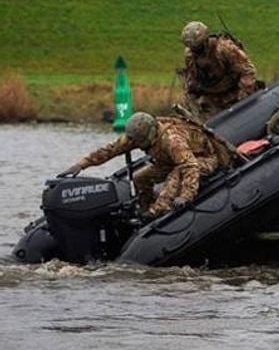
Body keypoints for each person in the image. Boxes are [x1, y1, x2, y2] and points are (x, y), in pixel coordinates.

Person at [57, 112, 235, 219]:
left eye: (140, 141)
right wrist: (81, 165)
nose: (138, 144)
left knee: (176, 174)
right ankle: (144, 208)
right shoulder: (136, 137)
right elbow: (109, 150)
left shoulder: (172, 140)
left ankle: (158, 211)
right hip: (168, 161)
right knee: (140, 178)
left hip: (202, 158)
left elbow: (189, 166)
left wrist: (186, 195)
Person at [180, 21, 259, 121]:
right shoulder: (190, 55)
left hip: (235, 94)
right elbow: (192, 79)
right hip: (213, 98)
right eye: (193, 48)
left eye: (198, 47)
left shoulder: (224, 49)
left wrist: (243, 96)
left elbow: (247, 71)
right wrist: (193, 97)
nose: (195, 51)